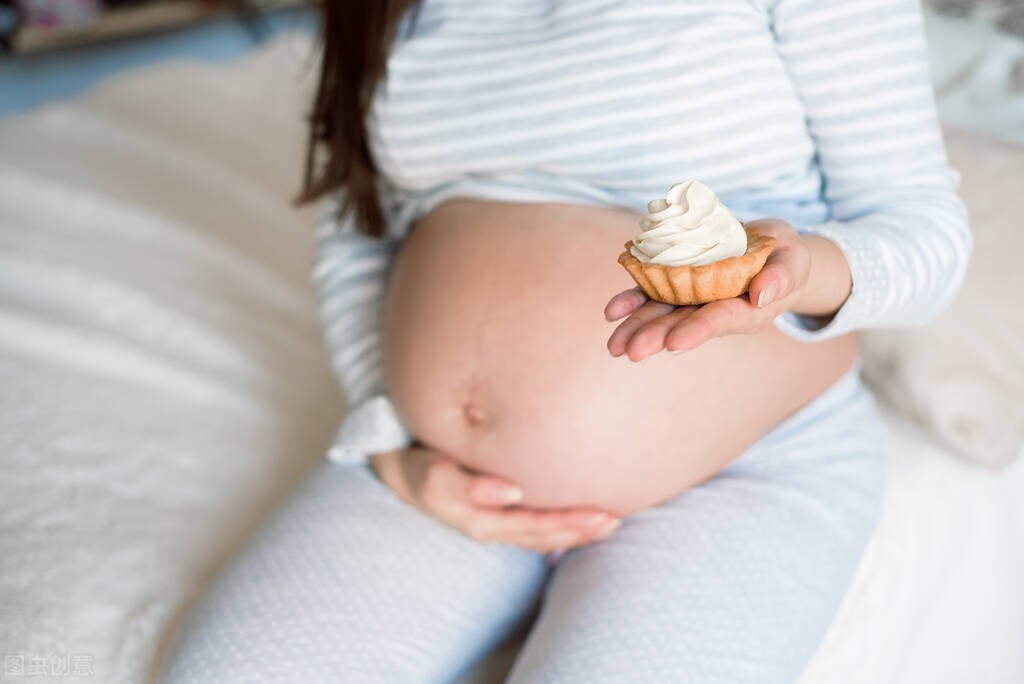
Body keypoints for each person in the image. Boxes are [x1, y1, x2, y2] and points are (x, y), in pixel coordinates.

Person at [161, 1, 971, 681]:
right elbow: (361, 229)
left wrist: (805, 270)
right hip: (449, 471)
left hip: (744, 471)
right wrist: (392, 441)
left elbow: (927, 236)